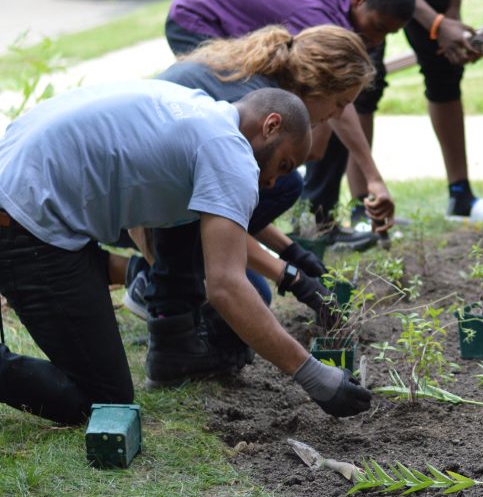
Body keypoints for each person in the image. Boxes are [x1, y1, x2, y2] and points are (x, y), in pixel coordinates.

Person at [0, 81, 371, 425]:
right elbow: (227, 287)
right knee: (103, 399)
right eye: (284, 165)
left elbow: (139, 215)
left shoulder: (196, 110)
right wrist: (314, 375)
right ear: (271, 125)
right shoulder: (231, 152)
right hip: (25, 225)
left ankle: (140, 306)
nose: (273, 181)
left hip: (25, 195)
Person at [125, 25, 376, 386]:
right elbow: (217, 212)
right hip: (138, 202)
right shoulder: (258, 114)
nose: (336, 116)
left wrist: (292, 253)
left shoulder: (264, 94)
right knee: (251, 291)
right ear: (320, 82)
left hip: (154, 193)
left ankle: (167, 286)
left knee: (252, 284)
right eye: (339, 104)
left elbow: (223, 205)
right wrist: (291, 277)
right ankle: (150, 281)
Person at [167, 0, 419, 239]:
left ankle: (313, 221)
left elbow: (330, 117)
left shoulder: (353, 3)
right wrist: (374, 179)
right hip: (197, 16)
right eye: (379, 27)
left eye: (388, 34)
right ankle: (209, 238)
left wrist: (290, 257)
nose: (378, 40)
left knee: (284, 159)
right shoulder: (317, 21)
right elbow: (334, 119)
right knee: (257, 156)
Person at [330, 0, 483, 221]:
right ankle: (363, 207)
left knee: (446, 65)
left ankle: (461, 196)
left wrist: (452, 9)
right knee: (362, 78)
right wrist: (438, 24)